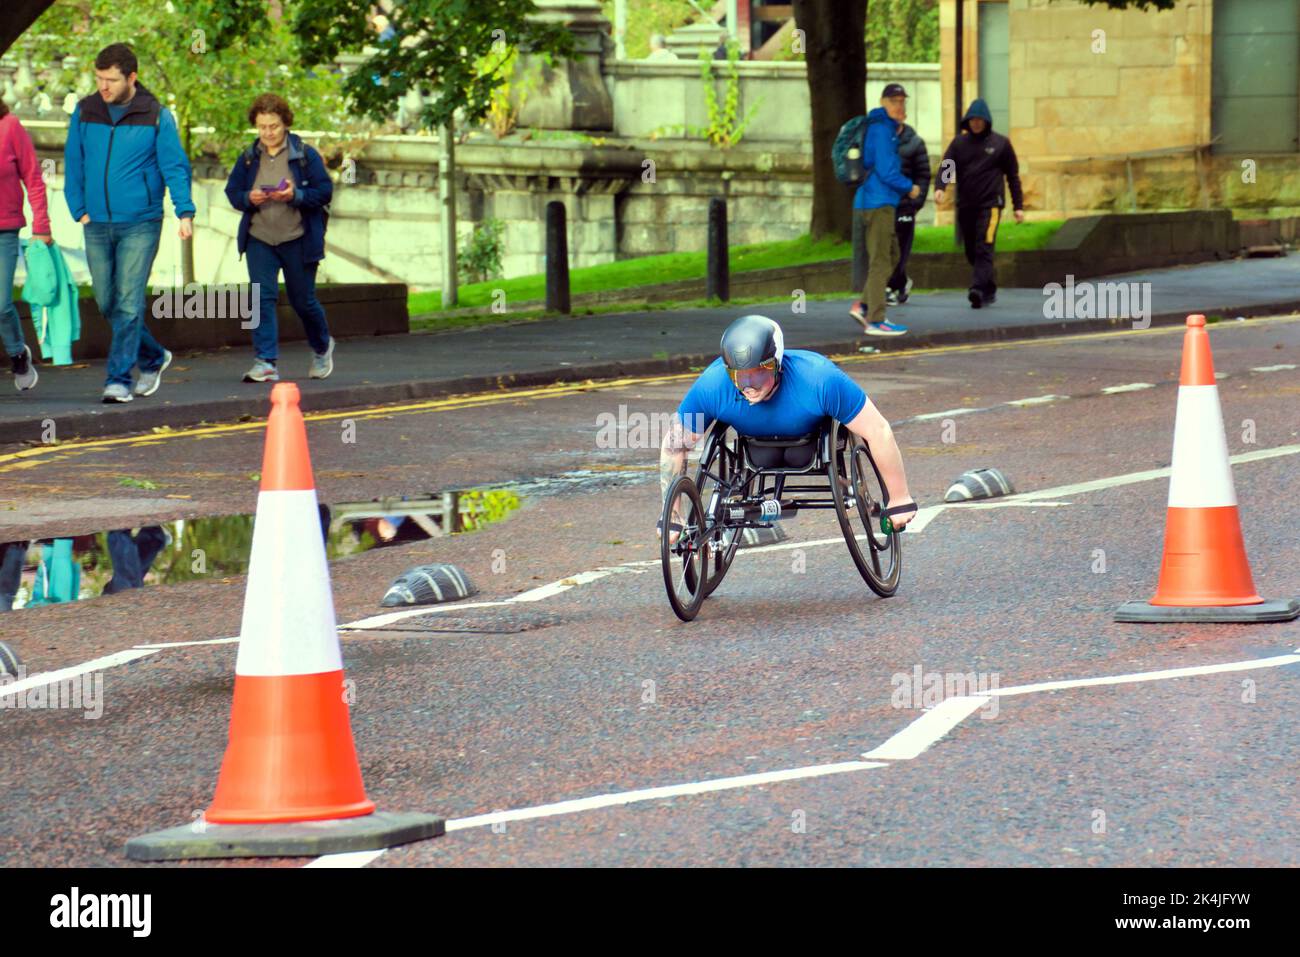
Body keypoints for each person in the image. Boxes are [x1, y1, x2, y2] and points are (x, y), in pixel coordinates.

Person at [658, 314, 917, 538]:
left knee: (798, 453)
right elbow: (674, 445)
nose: (749, 384)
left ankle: (843, 482)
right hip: (755, 449)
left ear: (777, 363)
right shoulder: (713, 384)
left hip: (807, 444)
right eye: (738, 375)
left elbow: (878, 430)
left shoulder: (820, 379)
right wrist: (672, 516)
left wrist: (899, 498)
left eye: (759, 373)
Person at [64, 43, 194, 403]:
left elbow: (175, 166)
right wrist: (79, 209)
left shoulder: (156, 115)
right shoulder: (85, 110)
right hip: (96, 222)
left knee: (128, 300)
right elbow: (73, 163)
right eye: (99, 78)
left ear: (131, 77)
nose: (103, 87)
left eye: (111, 80)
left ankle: (118, 379)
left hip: (141, 222)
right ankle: (153, 356)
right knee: (108, 302)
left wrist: (185, 211)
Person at [225, 93, 335, 383]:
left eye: (273, 126)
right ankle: (265, 362)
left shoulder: (304, 155)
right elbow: (232, 192)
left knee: (303, 301)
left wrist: (295, 195)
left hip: (298, 237)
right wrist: (249, 197)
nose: (267, 133)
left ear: (285, 123)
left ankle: (322, 346)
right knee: (261, 298)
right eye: (262, 127)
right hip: (260, 238)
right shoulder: (249, 158)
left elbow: (324, 191)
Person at [933, 98, 1024, 309]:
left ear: (986, 121)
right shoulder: (959, 143)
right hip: (966, 205)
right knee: (972, 250)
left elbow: (1013, 176)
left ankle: (976, 289)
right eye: (972, 120)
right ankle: (988, 286)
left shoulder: (1001, 144)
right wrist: (940, 187)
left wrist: (1018, 206)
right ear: (967, 121)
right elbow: (947, 166)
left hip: (991, 205)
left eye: (979, 120)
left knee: (985, 244)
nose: (976, 123)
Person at [849, 84, 919, 336]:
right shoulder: (880, 130)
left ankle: (865, 304)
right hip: (877, 203)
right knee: (881, 260)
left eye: (902, 101)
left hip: (881, 201)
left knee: (892, 255)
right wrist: (909, 187)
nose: (900, 106)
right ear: (883, 102)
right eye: (894, 101)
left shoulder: (885, 128)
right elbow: (886, 170)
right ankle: (876, 320)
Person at [0, 101, 52, 391]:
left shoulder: (10, 126)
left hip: (4, 229)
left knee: (0, 304)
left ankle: (18, 353)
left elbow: (33, 177)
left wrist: (41, 225)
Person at [886, 118, 931, 306]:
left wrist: (916, 202)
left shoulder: (915, 143)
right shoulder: (879, 141)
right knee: (886, 247)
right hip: (883, 204)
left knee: (901, 248)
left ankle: (890, 287)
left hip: (905, 204)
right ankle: (900, 282)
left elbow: (924, 174)